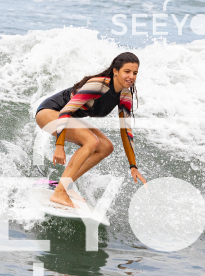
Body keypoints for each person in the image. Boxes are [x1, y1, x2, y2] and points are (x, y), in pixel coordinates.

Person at [35, 52, 146, 208]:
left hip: (69, 118)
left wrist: (133, 166)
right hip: (50, 113)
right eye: (127, 71)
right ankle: (59, 192)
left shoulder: (125, 94)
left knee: (106, 147)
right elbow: (65, 112)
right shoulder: (99, 85)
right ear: (115, 71)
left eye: (135, 73)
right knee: (91, 141)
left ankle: (64, 185)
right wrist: (59, 146)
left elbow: (126, 131)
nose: (131, 76)